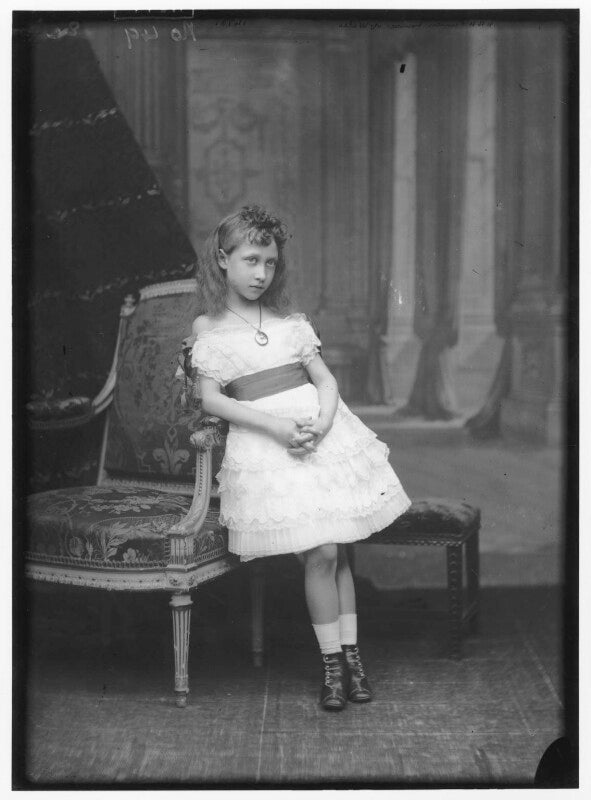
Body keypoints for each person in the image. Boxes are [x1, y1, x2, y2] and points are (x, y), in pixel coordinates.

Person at [191, 205, 411, 711]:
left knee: (337, 552)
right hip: (268, 444)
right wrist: (275, 427)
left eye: (269, 263)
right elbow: (211, 399)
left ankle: (351, 661)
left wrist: (324, 423)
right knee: (322, 553)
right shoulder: (210, 326)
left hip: (318, 436)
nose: (261, 274)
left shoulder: (291, 324)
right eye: (250, 261)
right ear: (222, 260)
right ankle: (332, 665)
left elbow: (326, 382)